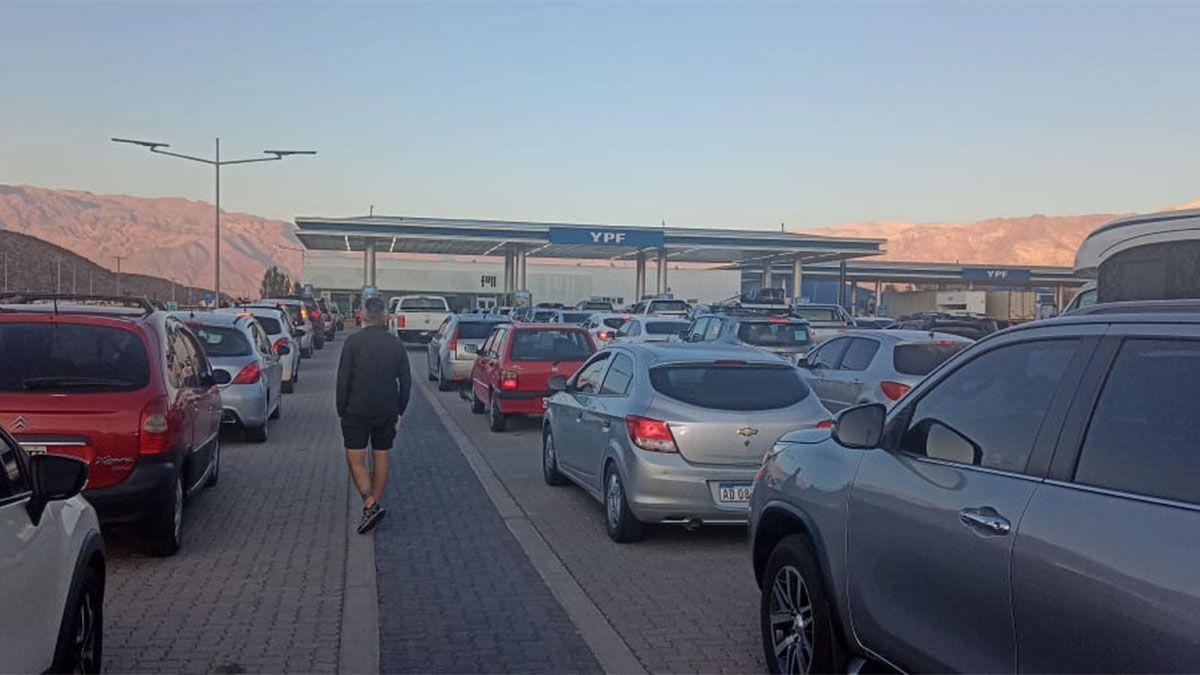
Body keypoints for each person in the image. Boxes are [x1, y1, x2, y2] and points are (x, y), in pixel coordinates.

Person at [336, 296, 412, 534]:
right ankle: (372, 507)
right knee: (382, 455)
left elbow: (343, 380)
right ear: (385, 316)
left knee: (355, 457)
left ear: (362, 315)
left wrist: (341, 408)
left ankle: (369, 503)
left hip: (356, 410)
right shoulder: (395, 345)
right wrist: (400, 409)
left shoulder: (353, 343)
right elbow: (406, 382)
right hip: (387, 409)